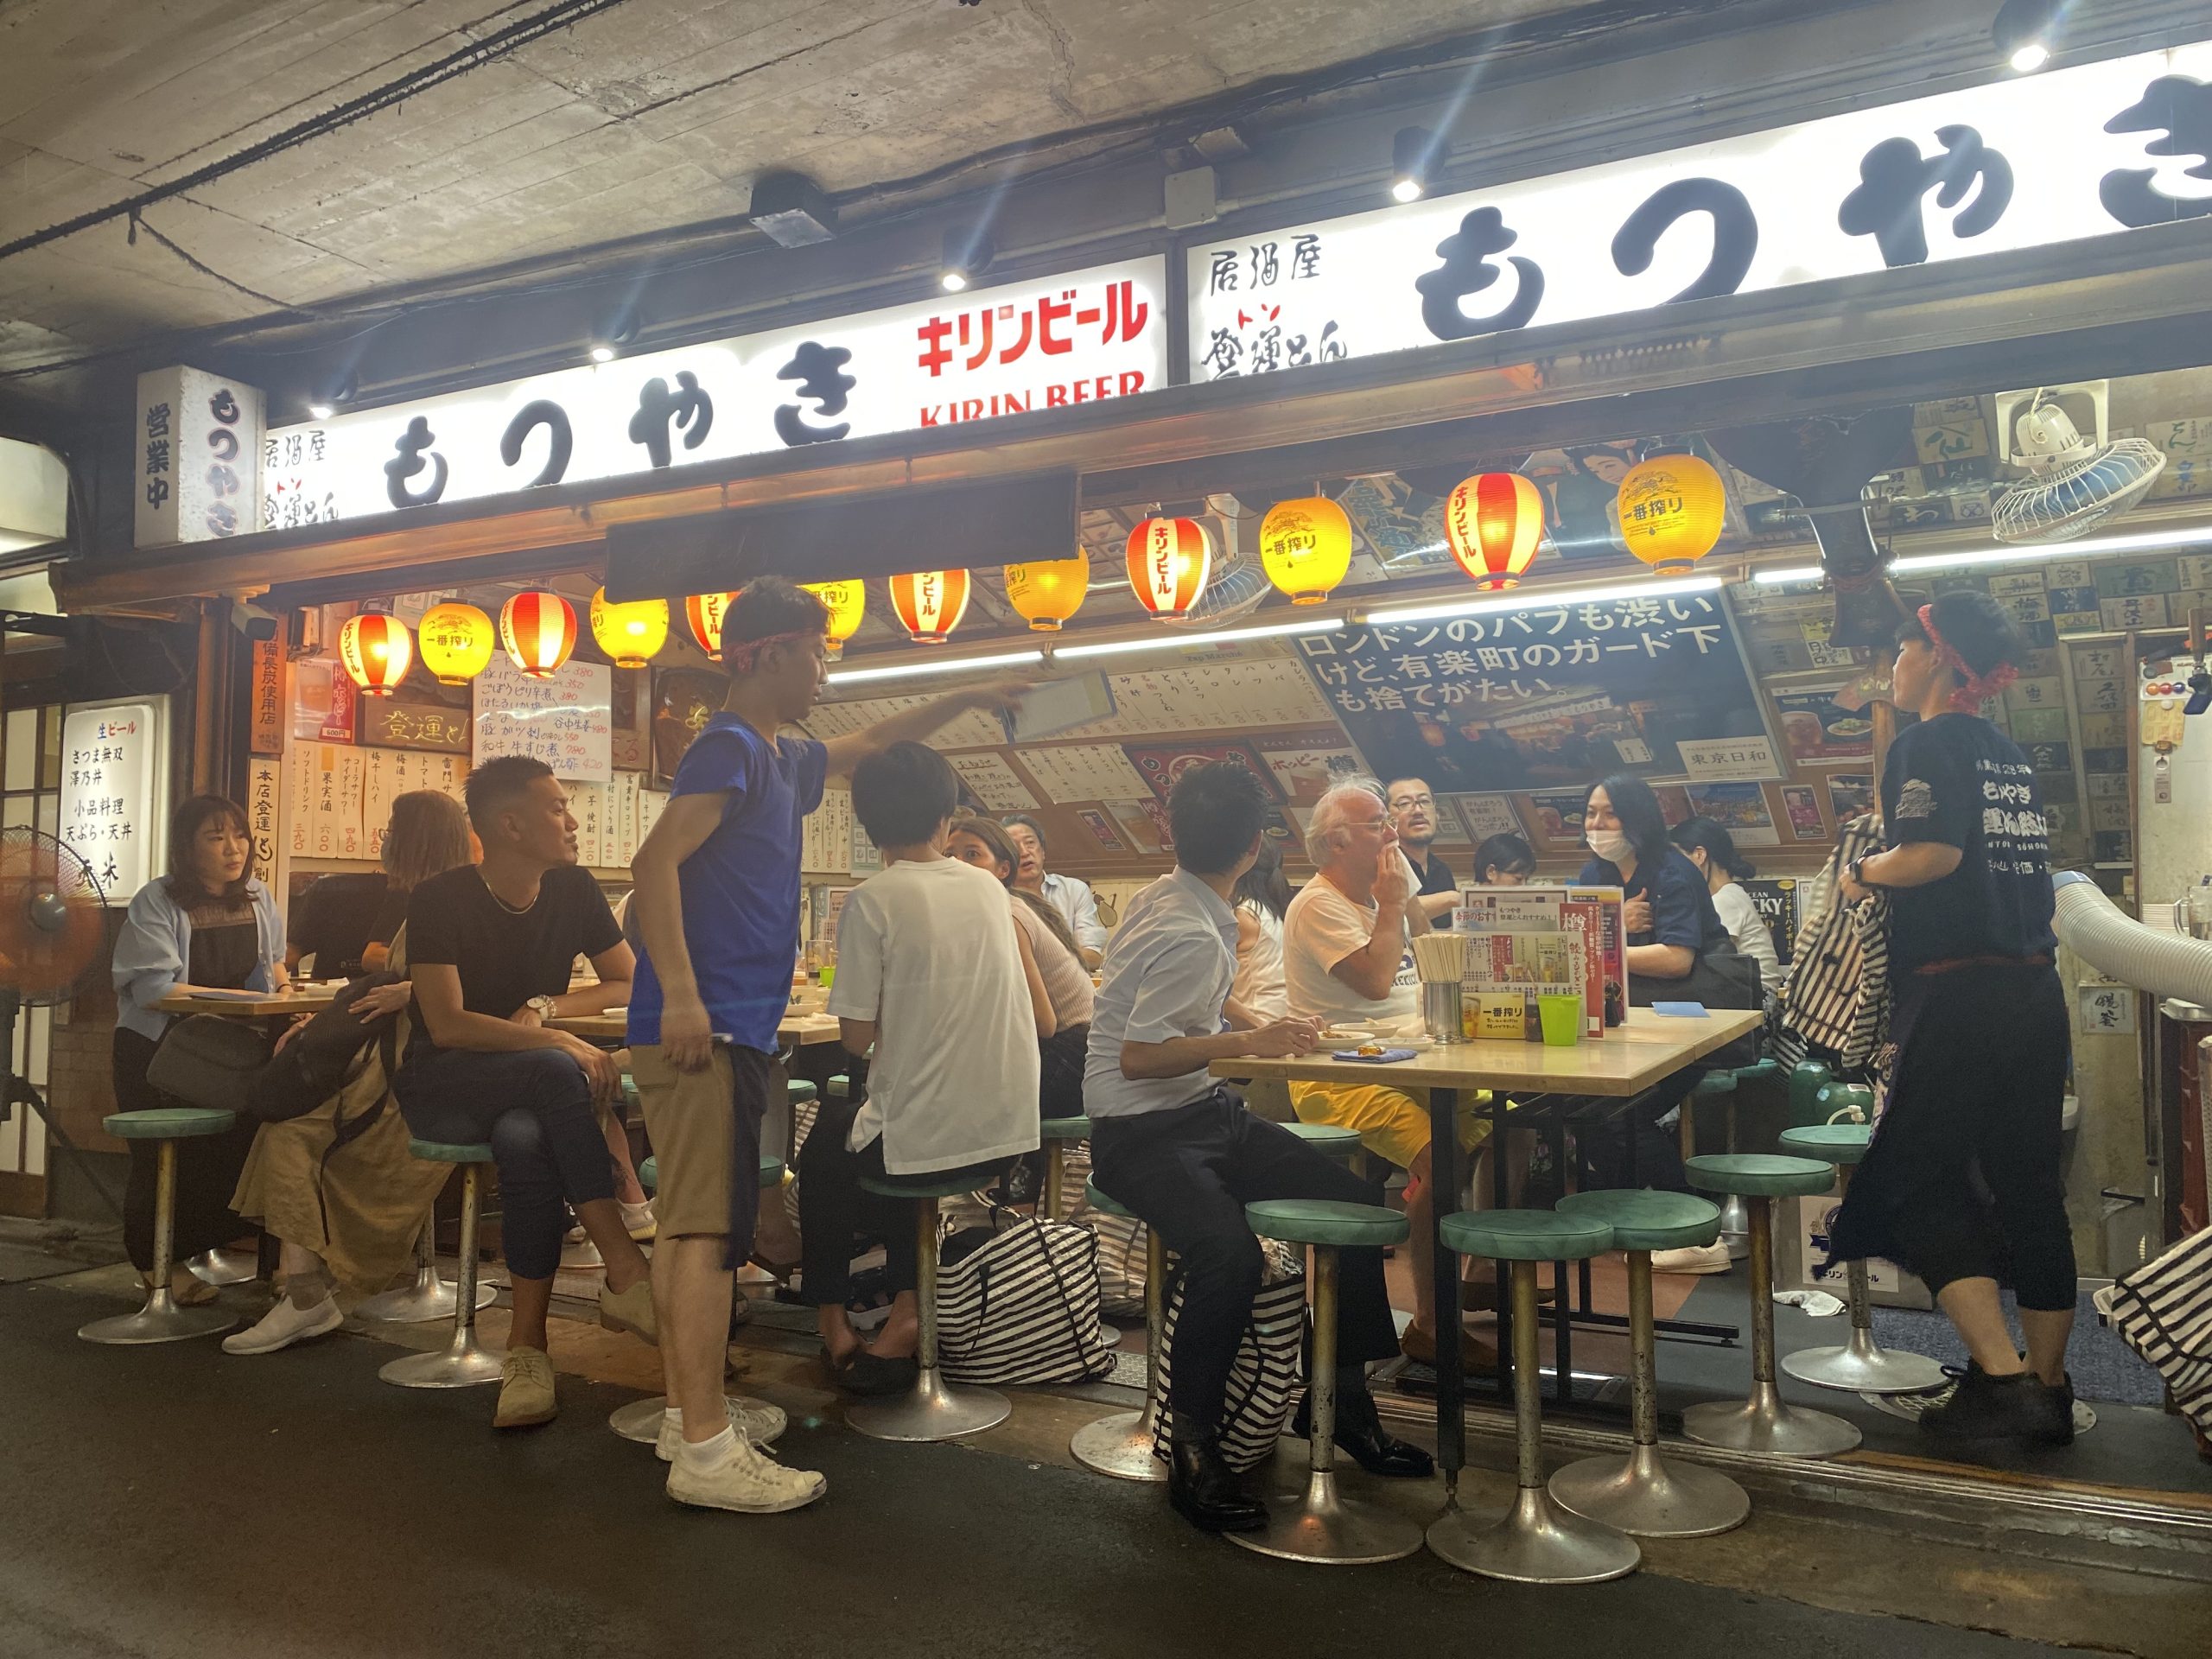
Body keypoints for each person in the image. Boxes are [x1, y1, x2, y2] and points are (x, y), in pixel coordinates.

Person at [626, 576, 1025, 1513]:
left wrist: (963, 695)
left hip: (736, 1023)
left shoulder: (779, 756)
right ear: (765, 654)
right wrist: (681, 996)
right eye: (813, 652)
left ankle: (696, 1420)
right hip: (706, 1024)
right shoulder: (727, 748)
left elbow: (874, 743)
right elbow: (652, 865)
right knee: (697, 1230)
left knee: (711, 1226)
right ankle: (704, 1448)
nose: (822, 672)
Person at [1088, 762, 1431, 1534]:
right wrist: (1251, 1037)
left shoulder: (1178, 896)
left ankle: (1339, 1404)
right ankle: (1195, 1446)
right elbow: (1139, 1056)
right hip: (1138, 1129)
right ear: (1255, 846)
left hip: (1200, 1111)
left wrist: (1263, 1027)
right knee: (1228, 1256)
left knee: (1347, 1199)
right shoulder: (1188, 925)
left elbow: (1200, 996)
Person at [1830, 592, 2072, 1447]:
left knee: (1914, 1182)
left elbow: (1932, 854)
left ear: (1934, 656)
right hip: (2033, 995)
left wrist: (1864, 869)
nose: (1890, 668)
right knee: (2030, 1192)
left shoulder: (1925, 742)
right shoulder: (2005, 752)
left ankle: (2000, 1380)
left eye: (1900, 651)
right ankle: (2046, 1391)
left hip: (1957, 997)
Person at [395, 754, 649, 1431]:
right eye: (557, 807)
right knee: (555, 1074)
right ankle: (623, 1264)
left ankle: (528, 1352)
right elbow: (446, 1024)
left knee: (525, 1138)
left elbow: (626, 981)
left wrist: (546, 1008)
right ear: (509, 824)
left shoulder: (572, 889)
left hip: (530, 1086)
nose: (573, 820)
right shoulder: (440, 900)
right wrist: (557, 1042)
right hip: (444, 1076)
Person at [812, 744, 1039, 1392]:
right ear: (947, 817)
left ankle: (839, 1315)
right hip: (1008, 1138)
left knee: (836, 1141)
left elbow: (854, 1039)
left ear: (867, 824)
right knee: (877, 1123)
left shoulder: (872, 899)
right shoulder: (990, 890)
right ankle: (907, 1307)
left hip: (928, 1145)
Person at [225, 791, 470, 1354]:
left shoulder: (453, 902)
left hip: (417, 1085)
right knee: (283, 1133)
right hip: (387, 1074)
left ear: (417, 840)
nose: (383, 841)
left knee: (293, 1135)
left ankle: (306, 1295)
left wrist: (408, 990)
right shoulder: (426, 899)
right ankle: (304, 1292)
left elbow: (486, 983)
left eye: (391, 830)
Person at [1281, 778, 1491, 1368]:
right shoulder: (1318, 903)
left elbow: (1434, 957)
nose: (1393, 831)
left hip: (1411, 1057)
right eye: (1378, 823)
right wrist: (1395, 902)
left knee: (1518, 1115)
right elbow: (1375, 982)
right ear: (1338, 841)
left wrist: (1405, 905)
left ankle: (1487, 1272)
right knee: (1439, 1156)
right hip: (1339, 1073)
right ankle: (1429, 1322)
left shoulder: (1386, 885)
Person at [111, 794, 288, 1306]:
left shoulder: (256, 895)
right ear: (186, 849)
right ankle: (155, 1266)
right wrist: (242, 1000)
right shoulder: (157, 899)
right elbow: (154, 990)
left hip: (228, 1048)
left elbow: (273, 966)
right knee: (164, 1159)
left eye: (240, 835)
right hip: (159, 1052)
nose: (234, 849)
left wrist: (287, 996)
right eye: (216, 838)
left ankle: (213, 1250)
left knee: (240, 1141)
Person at [1575, 773, 1734, 1263]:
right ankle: (1634, 1221)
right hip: (1626, 1023)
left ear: (1637, 817)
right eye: (1590, 814)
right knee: (1586, 1113)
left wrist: (1610, 947)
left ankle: (1699, 1228)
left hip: (1691, 1025)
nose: (1598, 824)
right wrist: (1618, 930)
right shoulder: (1594, 876)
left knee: (1621, 1114)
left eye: (1610, 813)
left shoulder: (1672, 871)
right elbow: (1575, 944)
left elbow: (1677, 960)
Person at [948, 811, 1092, 1121]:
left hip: (1071, 1060)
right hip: (1063, 1054)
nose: (957, 864)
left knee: (944, 1099)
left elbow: (1043, 1023)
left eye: (972, 854)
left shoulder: (1007, 917)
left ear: (1003, 869)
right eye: (949, 855)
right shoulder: (995, 909)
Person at [1671, 817, 1782, 984]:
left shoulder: (1726, 899)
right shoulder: (1728, 894)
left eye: (1677, 858)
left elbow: (1699, 955)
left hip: (1758, 999)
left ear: (1699, 855)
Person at [1001, 813, 1106, 968]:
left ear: (1043, 851)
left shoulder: (1073, 890)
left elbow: (1092, 956)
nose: (1024, 852)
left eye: (1030, 843)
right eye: (1014, 847)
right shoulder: (999, 898)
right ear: (1004, 859)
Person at [1229, 837, 1291, 1024]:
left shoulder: (1243, 917)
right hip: (1283, 1018)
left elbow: (1213, 985)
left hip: (1257, 1021)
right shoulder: (1276, 912)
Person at [1386, 776, 1459, 925]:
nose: (1418, 810)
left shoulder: (1441, 869)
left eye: (1425, 801)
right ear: (1386, 817)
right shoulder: (1382, 866)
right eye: (1404, 804)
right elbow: (1386, 913)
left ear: (1437, 814)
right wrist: (1452, 899)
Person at [1470, 832, 1535, 887]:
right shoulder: (1464, 901)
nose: (1523, 886)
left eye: (1526, 880)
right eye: (1518, 879)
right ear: (1491, 872)